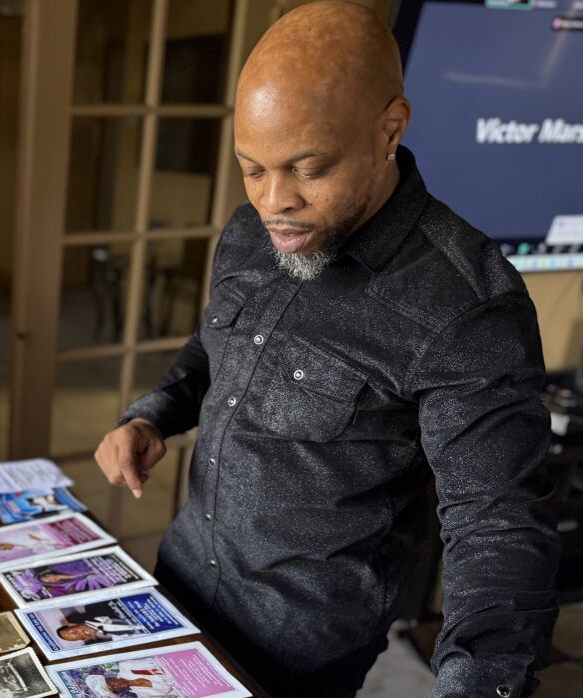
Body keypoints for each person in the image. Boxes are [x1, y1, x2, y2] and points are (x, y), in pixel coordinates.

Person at [92, 3, 558, 696]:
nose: (275, 202)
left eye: (308, 169)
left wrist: (479, 682)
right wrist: (151, 415)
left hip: (298, 646)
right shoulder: (251, 233)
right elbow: (217, 345)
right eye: (252, 169)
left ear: (388, 129)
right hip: (181, 583)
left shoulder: (466, 305)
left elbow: (498, 525)